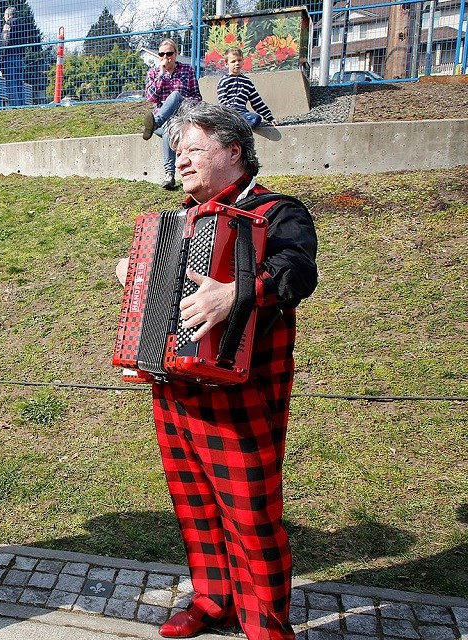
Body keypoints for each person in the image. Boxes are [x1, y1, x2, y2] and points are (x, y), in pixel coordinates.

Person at [150, 102, 317, 640]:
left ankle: (267, 624)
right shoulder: (178, 221)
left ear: (234, 151)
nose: (181, 160)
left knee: (250, 515)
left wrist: (237, 293)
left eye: (193, 149)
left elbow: (297, 272)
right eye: (178, 151)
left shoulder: (277, 212)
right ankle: (213, 601)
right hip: (174, 387)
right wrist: (139, 275)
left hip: (242, 391)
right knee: (194, 503)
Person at [142, 39, 201, 190]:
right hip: (160, 120)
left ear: (176, 54)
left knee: (174, 98)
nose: (165, 57)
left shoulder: (187, 70)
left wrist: (181, 101)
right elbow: (151, 98)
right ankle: (156, 123)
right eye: (161, 54)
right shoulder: (153, 73)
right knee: (168, 126)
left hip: (181, 118)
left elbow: (197, 98)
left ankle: (169, 175)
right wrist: (161, 75)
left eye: (169, 53)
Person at [216, 48, 279, 128]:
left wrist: (270, 117)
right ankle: (234, 125)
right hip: (228, 114)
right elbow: (223, 102)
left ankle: (237, 125)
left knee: (256, 119)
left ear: (243, 61)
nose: (237, 63)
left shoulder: (247, 82)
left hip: (243, 114)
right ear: (226, 64)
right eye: (233, 61)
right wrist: (232, 114)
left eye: (239, 60)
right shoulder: (223, 81)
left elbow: (257, 102)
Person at [0, 5, 27, 107]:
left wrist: (2, 55)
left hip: (9, 56)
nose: (3, 17)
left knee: (11, 83)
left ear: (8, 15)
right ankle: (22, 104)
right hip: (20, 56)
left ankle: (14, 106)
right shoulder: (23, 24)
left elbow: (4, 41)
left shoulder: (8, 24)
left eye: (4, 15)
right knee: (20, 82)